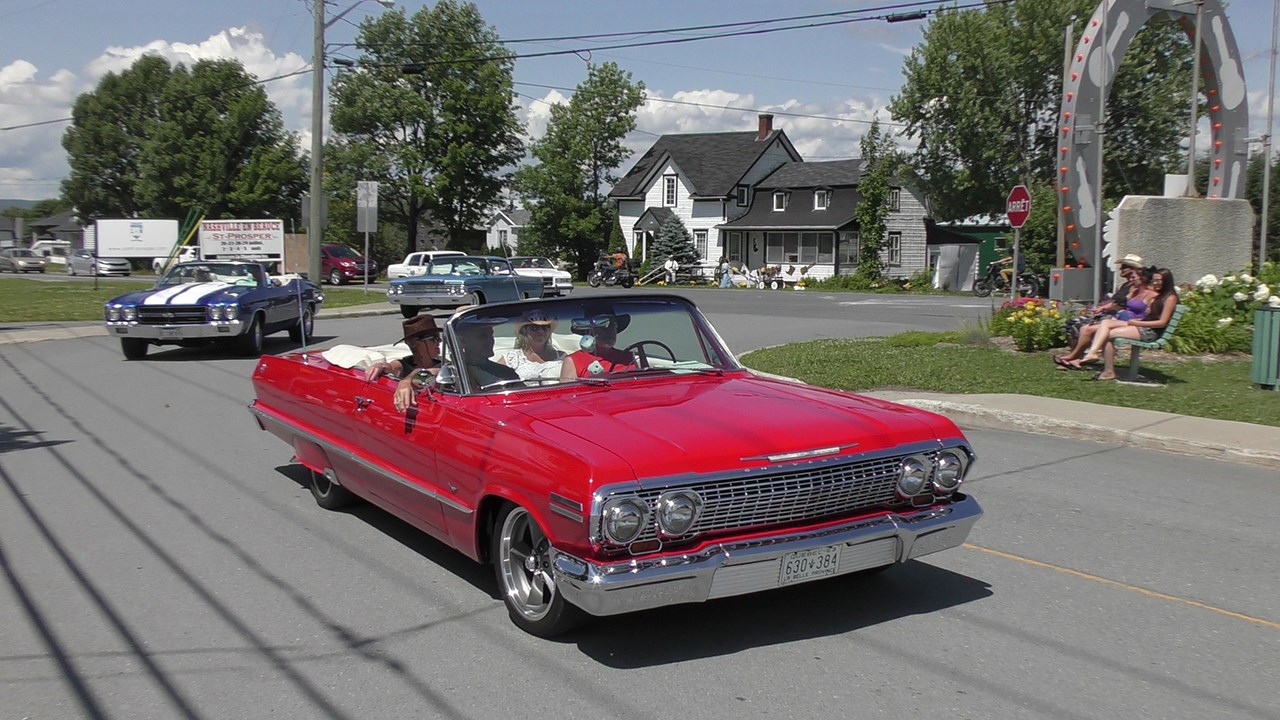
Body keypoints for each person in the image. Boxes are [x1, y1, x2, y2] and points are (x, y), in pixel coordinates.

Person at [1075, 268, 1177, 380]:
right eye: (1154, 280)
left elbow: (1162, 322)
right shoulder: (1159, 295)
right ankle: (1093, 353)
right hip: (1142, 325)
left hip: (1149, 331)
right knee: (1105, 323)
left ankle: (1107, 370)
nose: (1155, 282)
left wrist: (1137, 322)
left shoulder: (1170, 298)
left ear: (1166, 281)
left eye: (1159, 280)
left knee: (1109, 334)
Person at [1054, 259, 1152, 369]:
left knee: (1085, 328)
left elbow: (1120, 303)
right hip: (1118, 318)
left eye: (1124, 266)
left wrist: (1105, 308)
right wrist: (1102, 307)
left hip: (1125, 321)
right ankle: (1077, 358)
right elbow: (1118, 301)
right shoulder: (1131, 288)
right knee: (1078, 326)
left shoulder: (1148, 293)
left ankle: (1075, 358)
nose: (1121, 269)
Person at [363, 315, 443, 412]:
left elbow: (431, 372)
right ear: (417, 343)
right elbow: (391, 367)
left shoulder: (443, 365)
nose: (439, 341)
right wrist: (379, 366)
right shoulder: (405, 363)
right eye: (434, 338)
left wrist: (406, 381)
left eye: (439, 337)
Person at [560, 310, 637, 379]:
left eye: (613, 326)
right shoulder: (573, 361)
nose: (610, 331)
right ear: (588, 331)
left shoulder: (628, 358)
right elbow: (569, 393)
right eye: (603, 326)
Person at [499, 309, 565, 381]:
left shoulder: (563, 357)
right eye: (534, 328)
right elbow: (493, 378)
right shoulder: (512, 359)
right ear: (524, 331)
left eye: (545, 327)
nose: (541, 331)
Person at [456, 319, 521, 389]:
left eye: (491, 335)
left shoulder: (506, 372)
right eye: (483, 336)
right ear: (463, 341)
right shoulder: (455, 373)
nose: (491, 340)